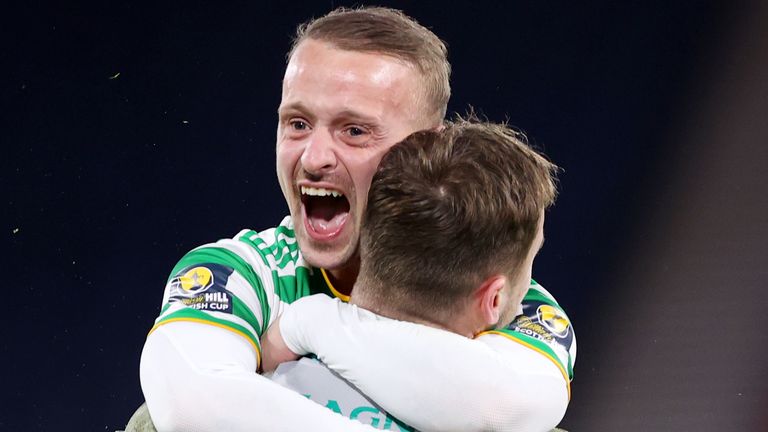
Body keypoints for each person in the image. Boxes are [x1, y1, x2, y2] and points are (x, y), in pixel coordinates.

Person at [138, 6, 575, 432]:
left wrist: (309, 325)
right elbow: (193, 409)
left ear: (425, 148)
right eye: (297, 123)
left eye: (354, 131)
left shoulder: (503, 290)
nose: (313, 158)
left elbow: (500, 408)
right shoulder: (240, 273)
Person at [260, 118, 565, 432]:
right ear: (494, 299)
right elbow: (506, 407)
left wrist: (312, 321)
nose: (530, 289)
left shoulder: (251, 388)